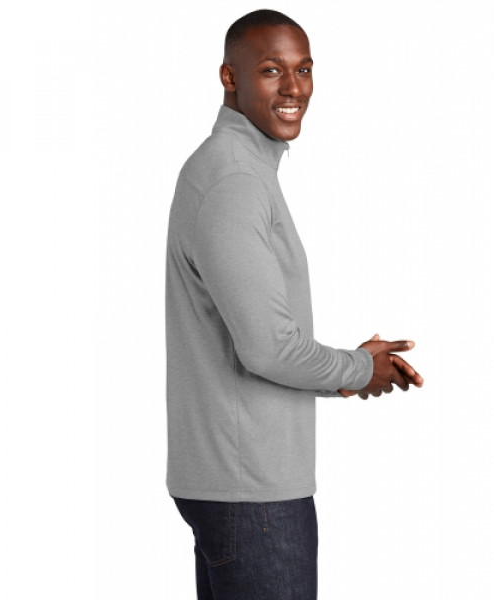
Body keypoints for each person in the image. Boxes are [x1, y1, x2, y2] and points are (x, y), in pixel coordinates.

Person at [165, 9, 423, 599]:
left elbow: (255, 338)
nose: (293, 88)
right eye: (271, 70)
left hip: (242, 486)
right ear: (230, 77)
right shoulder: (233, 179)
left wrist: (355, 369)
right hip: (253, 494)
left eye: (303, 70)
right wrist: (358, 369)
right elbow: (268, 347)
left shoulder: (238, 170)